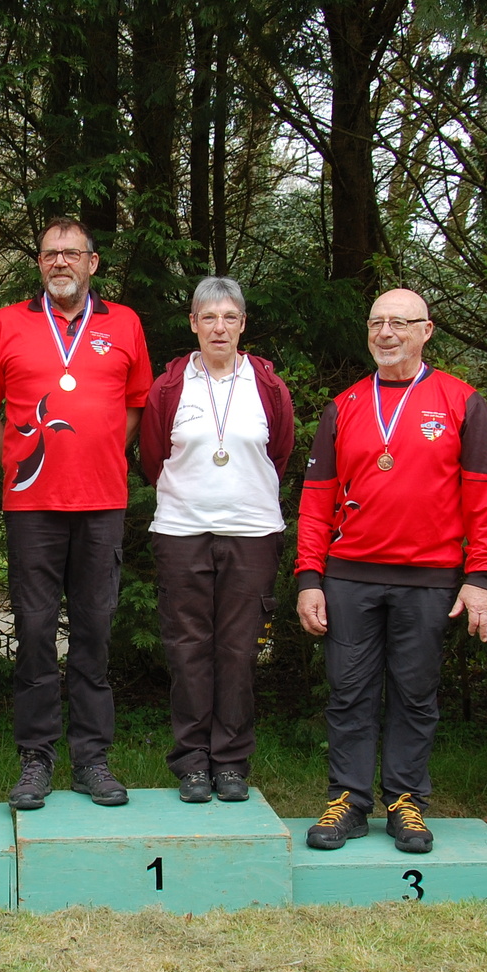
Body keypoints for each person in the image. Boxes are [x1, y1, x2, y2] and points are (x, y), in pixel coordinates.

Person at [295, 287, 487, 853]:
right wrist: (309, 577)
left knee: (415, 694)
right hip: (349, 574)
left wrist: (481, 576)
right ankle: (348, 799)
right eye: (376, 323)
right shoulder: (344, 405)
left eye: (400, 323)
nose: (386, 333)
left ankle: (406, 801)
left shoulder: (461, 401)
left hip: (430, 576)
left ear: (426, 331)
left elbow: (485, 495)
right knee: (348, 691)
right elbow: (316, 500)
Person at [0, 217, 152, 809]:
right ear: (39, 264)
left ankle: (92, 759)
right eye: (50, 254)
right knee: (35, 633)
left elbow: (137, 406)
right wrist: (19, 460)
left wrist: (103, 452)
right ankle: (36, 759)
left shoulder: (124, 323)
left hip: (101, 505)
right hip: (33, 507)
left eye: (72, 253)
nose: (60, 262)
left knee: (94, 634)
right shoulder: (7, 324)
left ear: (92, 262)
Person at [139, 276, 294, 803]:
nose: (219, 328)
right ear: (193, 324)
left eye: (229, 317)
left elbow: (279, 453)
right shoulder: (169, 387)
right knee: (187, 651)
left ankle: (230, 763)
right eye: (209, 317)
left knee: (239, 651)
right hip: (182, 530)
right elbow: (154, 456)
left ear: (243, 324)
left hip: (252, 532)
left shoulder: (267, 386)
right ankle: (192, 764)